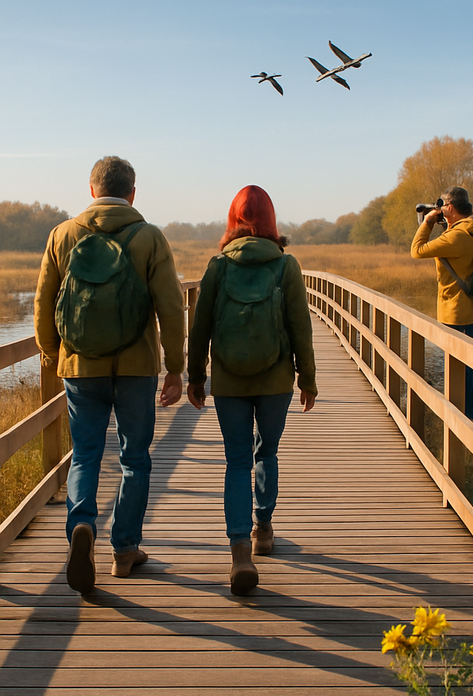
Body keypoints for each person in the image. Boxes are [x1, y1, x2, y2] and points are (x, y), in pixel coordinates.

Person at [34, 155, 185, 594]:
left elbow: (44, 303)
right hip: (136, 368)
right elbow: (172, 308)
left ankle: (82, 526)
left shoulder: (62, 234)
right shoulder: (150, 237)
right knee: (134, 459)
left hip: (80, 367)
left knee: (84, 455)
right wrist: (176, 367)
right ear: (133, 192)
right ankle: (124, 550)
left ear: (91, 189)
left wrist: (52, 352)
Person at [187, 185, 317, 595]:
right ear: (271, 222)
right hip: (276, 380)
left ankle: (240, 550)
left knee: (236, 460)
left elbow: (200, 326)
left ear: (233, 221)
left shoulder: (218, 267)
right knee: (267, 451)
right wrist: (308, 380)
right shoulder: (286, 266)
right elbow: (301, 329)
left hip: (228, 381)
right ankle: (263, 527)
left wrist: (194, 376)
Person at [410, 186, 473, 420]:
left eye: (442, 207)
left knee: (459, 377)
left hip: (457, 315)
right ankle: (462, 420)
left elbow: (417, 250)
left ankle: (460, 424)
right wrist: (448, 224)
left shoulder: (457, 237)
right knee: (464, 374)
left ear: (449, 208)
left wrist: (427, 222)